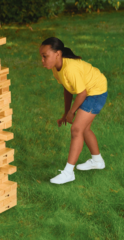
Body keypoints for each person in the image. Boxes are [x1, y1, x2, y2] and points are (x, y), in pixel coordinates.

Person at [39, 37, 108, 185]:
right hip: (88, 91)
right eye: (41, 57)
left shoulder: (70, 68)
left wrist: (72, 112)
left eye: (45, 56)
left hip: (96, 91)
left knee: (77, 129)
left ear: (57, 54)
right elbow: (68, 88)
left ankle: (68, 173)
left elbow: (82, 93)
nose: (42, 60)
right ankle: (97, 161)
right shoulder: (57, 69)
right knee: (84, 129)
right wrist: (66, 113)